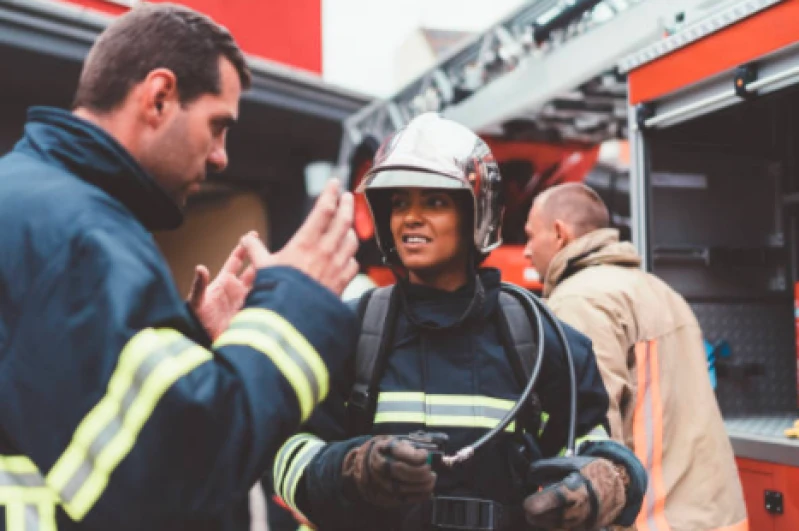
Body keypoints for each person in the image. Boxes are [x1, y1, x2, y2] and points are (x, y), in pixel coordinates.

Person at [0, 5, 360, 531]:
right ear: (159, 97)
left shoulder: (34, 203)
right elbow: (176, 473)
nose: (221, 157)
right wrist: (295, 307)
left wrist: (192, 347)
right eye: (218, 126)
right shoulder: (76, 235)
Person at [270, 113, 646, 531]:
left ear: (477, 214)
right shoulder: (347, 334)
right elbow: (287, 458)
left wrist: (604, 484)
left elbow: (594, 444)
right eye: (399, 202)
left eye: (434, 201)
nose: (410, 217)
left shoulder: (543, 341)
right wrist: (353, 468)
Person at [523, 182, 747, 531]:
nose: (525, 251)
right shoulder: (659, 290)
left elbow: (593, 443)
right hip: (716, 517)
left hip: (651, 522)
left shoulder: (579, 301)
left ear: (559, 233)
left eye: (529, 236)